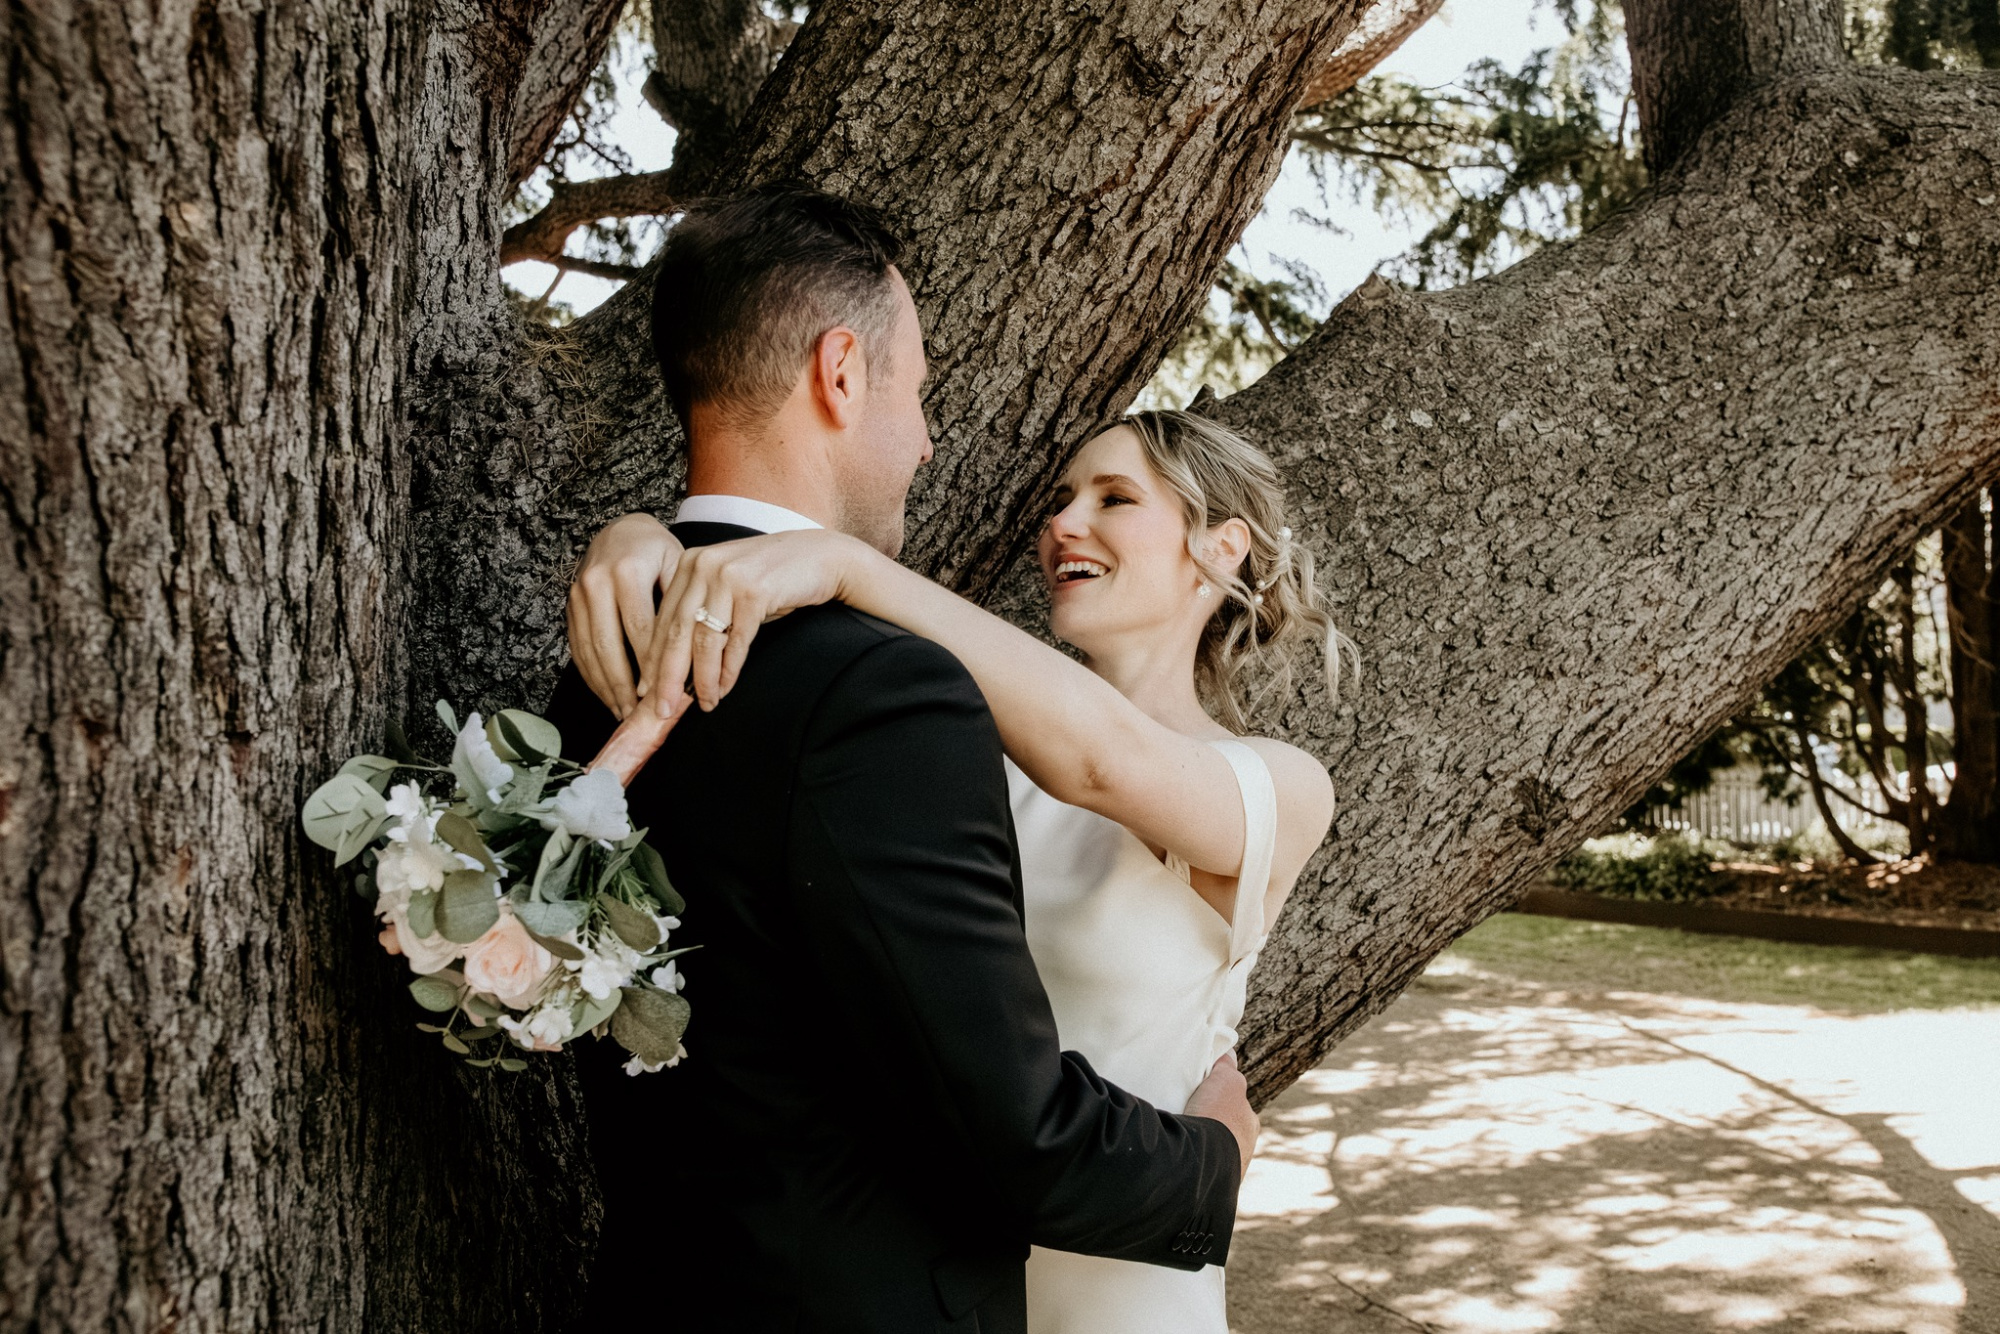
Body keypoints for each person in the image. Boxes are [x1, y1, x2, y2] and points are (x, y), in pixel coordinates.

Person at [543, 184, 1257, 1334]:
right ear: (840, 371)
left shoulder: (599, 647)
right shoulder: (885, 691)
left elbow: (1108, 761)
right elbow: (1021, 1137)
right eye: (915, 390)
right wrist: (1213, 1160)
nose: (925, 437)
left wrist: (642, 535)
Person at [573, 414, 1346, 1326]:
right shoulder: (947, 750)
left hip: (1119, 1282)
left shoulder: (1276, 786)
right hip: (926, 1277)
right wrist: (643, 544)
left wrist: (848, 564)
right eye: (1062, 498)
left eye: (1115, 498)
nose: (1063, 523)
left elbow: (1103, 761)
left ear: (1223, 546)